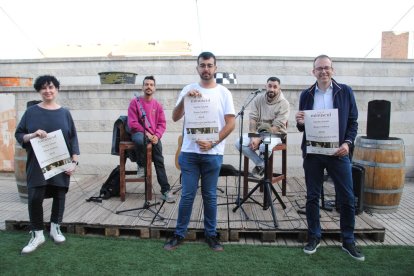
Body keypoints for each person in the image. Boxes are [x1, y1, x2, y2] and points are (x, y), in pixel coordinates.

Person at [164, 51, 235, 251]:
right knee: (187, 195)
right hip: (189, 153)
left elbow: (231, 124)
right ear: (197, 68)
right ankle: (179, 234)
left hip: (212, 154)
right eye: (202, 65)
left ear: (215, 68)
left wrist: (213, 142)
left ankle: (211, 235)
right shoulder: (188, 89)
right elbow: (175, 117)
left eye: (209, 65)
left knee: (210, 195)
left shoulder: (224, 93)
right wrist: (185, 99)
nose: (206, 69)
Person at [295, 55, 364, 261]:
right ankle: (314, 236)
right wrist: (299, 122)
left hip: (338, 153)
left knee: (347, 197)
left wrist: (347, 143)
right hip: (314, 154)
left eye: (326, 68)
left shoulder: (345, 91)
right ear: (313, 71)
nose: (323, 72)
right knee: (312, 197)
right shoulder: (306, 94)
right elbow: (302, 127)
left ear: (332, 70)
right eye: (319, 69)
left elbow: (353, 122)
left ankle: (348, 240)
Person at [15, 75, 80, 254]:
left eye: (51, 87)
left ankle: (55, 228)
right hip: (37, 163)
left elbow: (73, 138)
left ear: (57, 89)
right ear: (39, 91)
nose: (48, 90)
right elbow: (19, 134)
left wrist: (74, 162)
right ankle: (37, 233)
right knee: (35, 197)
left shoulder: (65, 113)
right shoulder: (31, 112)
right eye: (43, 88)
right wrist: (33, 135)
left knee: (60, 194)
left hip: (60, 162)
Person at [128, 75, 174, 203]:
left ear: (155, 88)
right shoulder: (135, 102)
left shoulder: (157, 105)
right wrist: (147, 134)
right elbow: (132, 123)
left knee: (159, 160)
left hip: (153, 136)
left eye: (151, 85)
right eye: (146, 84)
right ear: (142, 87)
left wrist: (157, 136)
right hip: (139, 133)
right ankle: (141, 165)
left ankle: (165, 190)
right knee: (139, 140)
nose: (149, 86)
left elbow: (162, 124)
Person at [234, 77, 289, 178]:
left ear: (279, 88)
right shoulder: (258, 99)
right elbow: (252, 119)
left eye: (275, 87)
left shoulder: (284, 103)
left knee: (265, 145)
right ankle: (261, 164)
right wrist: (252, 136)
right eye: (269, 86)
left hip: (275, 135)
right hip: (258, 133)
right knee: (239, 142)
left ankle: (261, 168)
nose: (272, 89)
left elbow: (277, 126)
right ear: (265, 86)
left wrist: (259, 138)